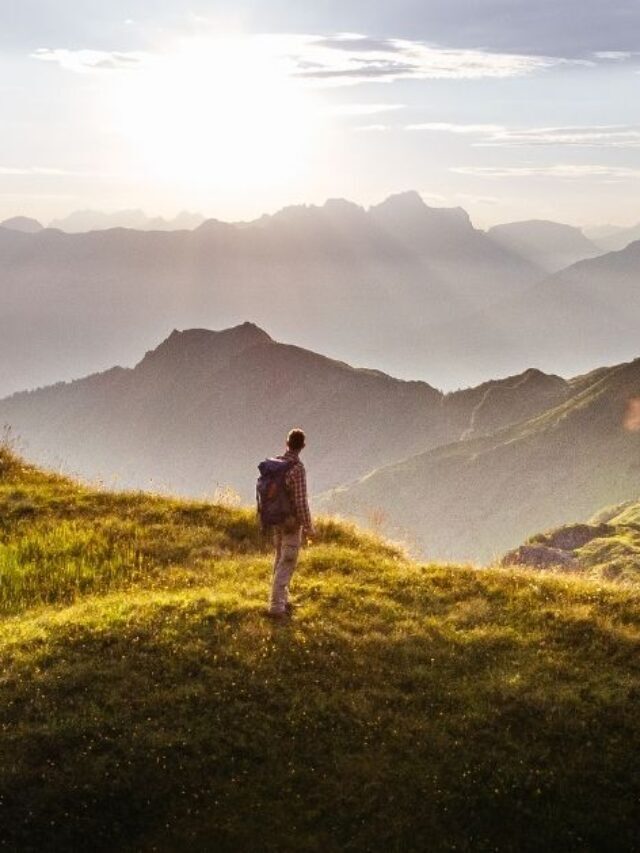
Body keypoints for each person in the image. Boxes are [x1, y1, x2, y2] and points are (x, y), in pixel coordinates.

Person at [267, 428, 315, 619]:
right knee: (287, 560)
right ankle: (277, 607)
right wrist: (309, 527)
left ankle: (280, 600)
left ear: (287, 443)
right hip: (291, 523)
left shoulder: (277, 464)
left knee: (279, 558)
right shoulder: (297, 469)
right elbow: (301, 502)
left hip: (276, 519)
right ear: (302, 446)